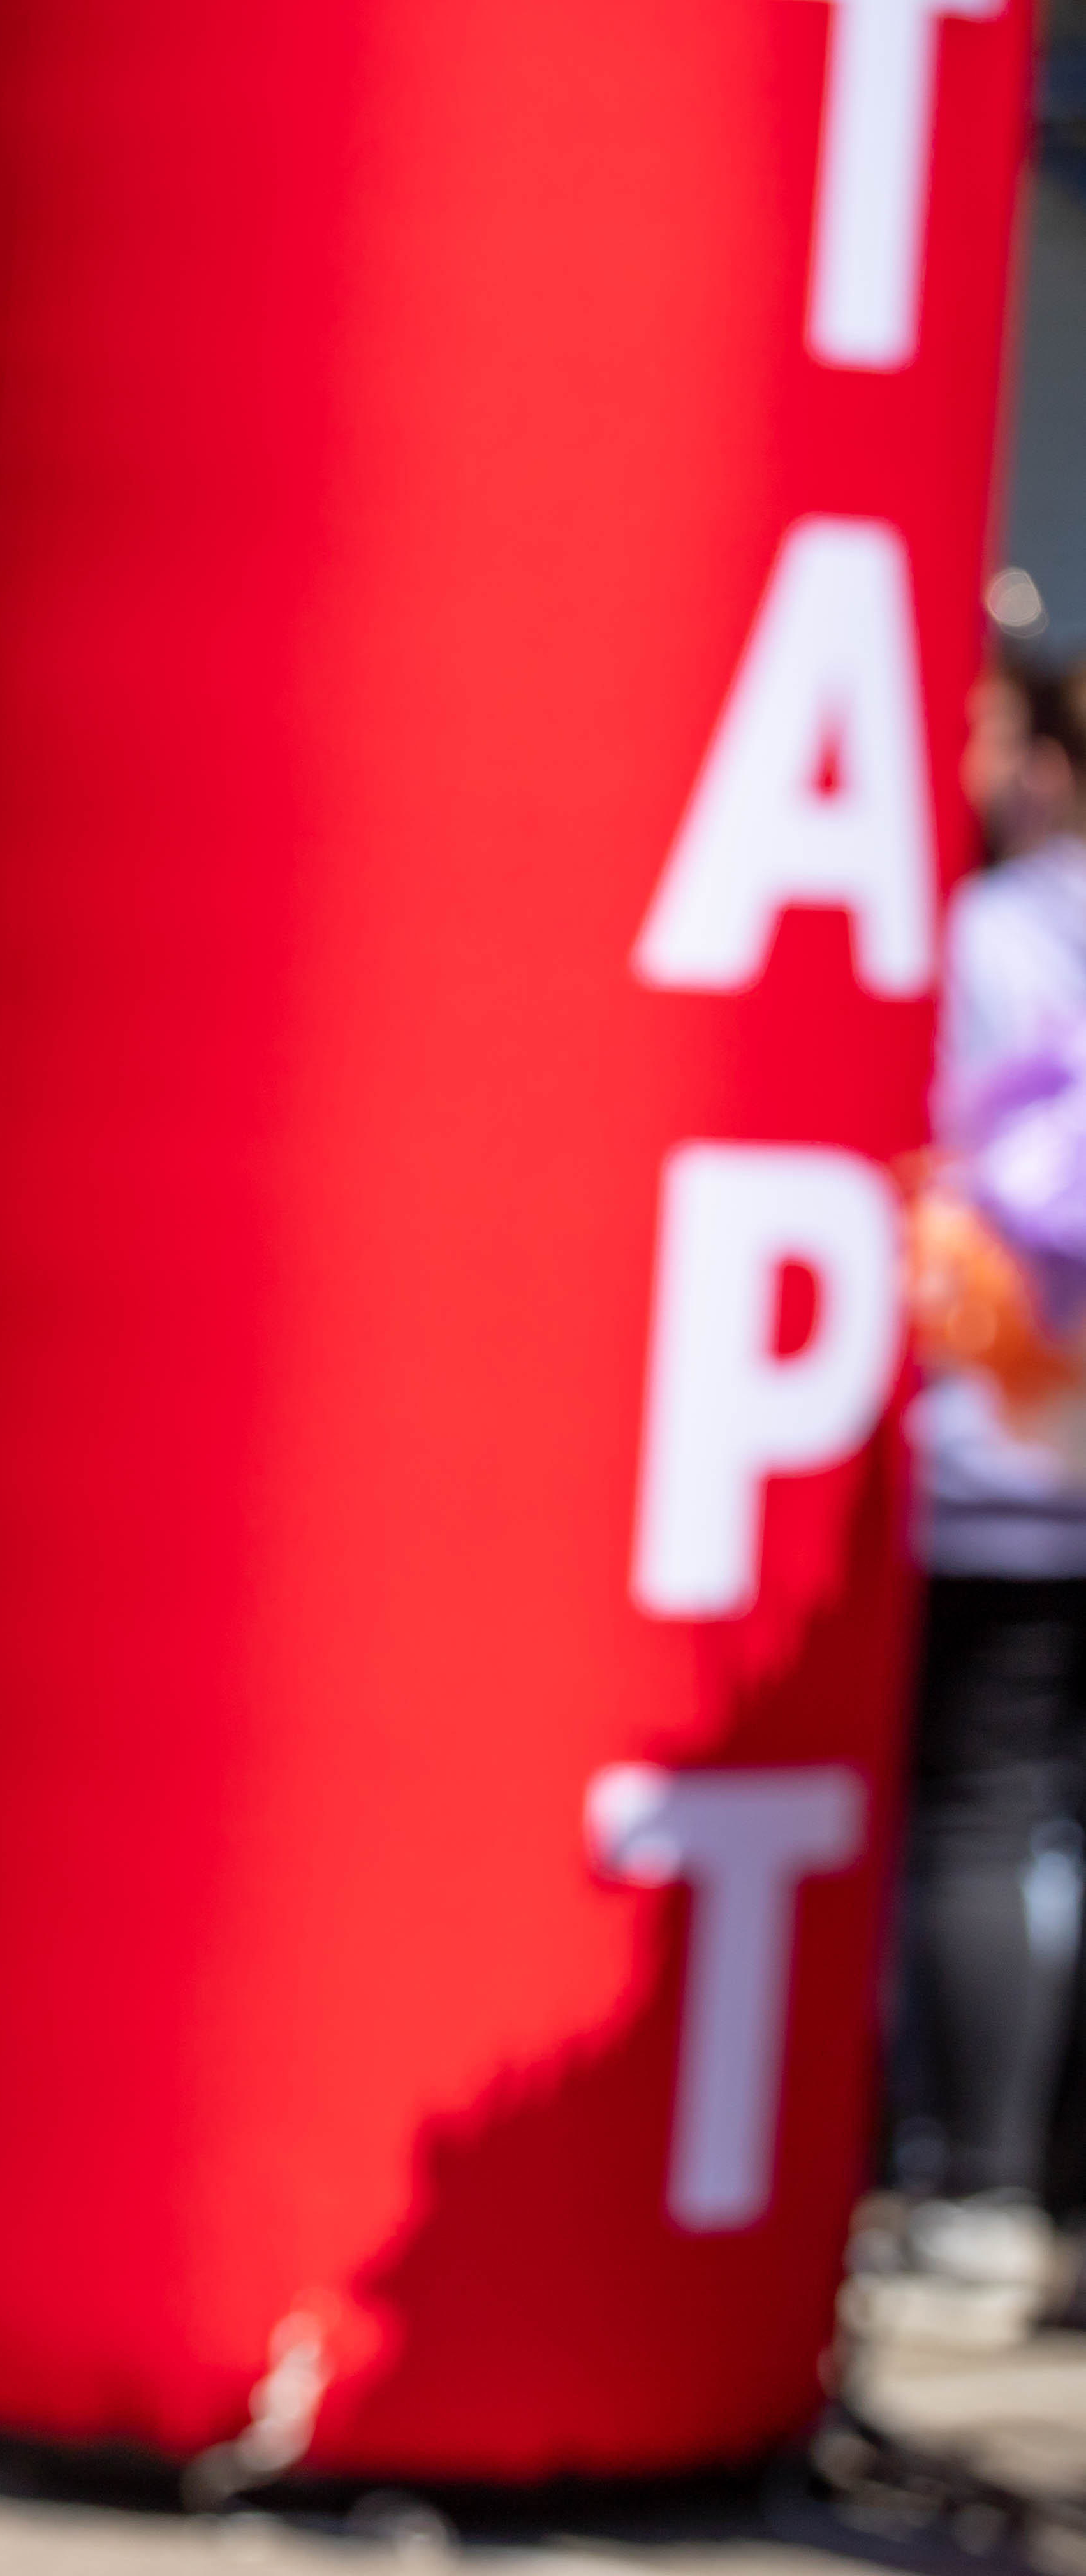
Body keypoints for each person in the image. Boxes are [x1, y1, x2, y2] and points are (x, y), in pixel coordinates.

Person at [893, 648, 1086, 2337]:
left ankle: (976, 2183)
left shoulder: (1003, 934)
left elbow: (949, 1182)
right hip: (1027, 1449)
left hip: (1014, 1448)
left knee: (978, 1802)